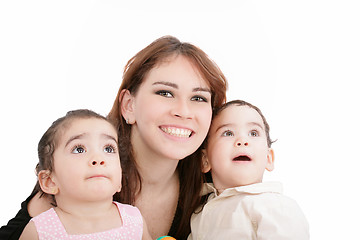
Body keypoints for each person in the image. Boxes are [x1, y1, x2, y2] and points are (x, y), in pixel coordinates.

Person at [0, 36, 227, 240]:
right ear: (129, 105)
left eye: (198, 98)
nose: (184, 111)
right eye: (165, 93)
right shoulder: (83, 173)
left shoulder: (213, 184)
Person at [19, 109, 152, 240]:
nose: (98, 158)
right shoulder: (40, 231)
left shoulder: (134, 220)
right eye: (79, 149)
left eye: (108, 148)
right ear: (49, 181)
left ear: (120, 179)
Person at [188, 100, 309, 240]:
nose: (242, 140)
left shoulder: (274, 206)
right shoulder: (200, 212)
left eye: (253, 133)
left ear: (268, 159)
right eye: (228, 133)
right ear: (205, 160)